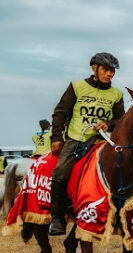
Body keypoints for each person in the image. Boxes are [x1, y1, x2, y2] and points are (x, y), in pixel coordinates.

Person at [48, 52, 125, 236]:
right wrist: (56, 138)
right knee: (60, 172)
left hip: (102, 141)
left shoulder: (117, 94)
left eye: (112, 71)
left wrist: (109, 124)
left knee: (123, 169)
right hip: (77, 139)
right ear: (94, 68)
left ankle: (122, 214)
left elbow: (120, 119)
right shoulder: (77, 86)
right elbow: (60, 113)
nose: (110, 74)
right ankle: (57, 218)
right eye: (106, 70)